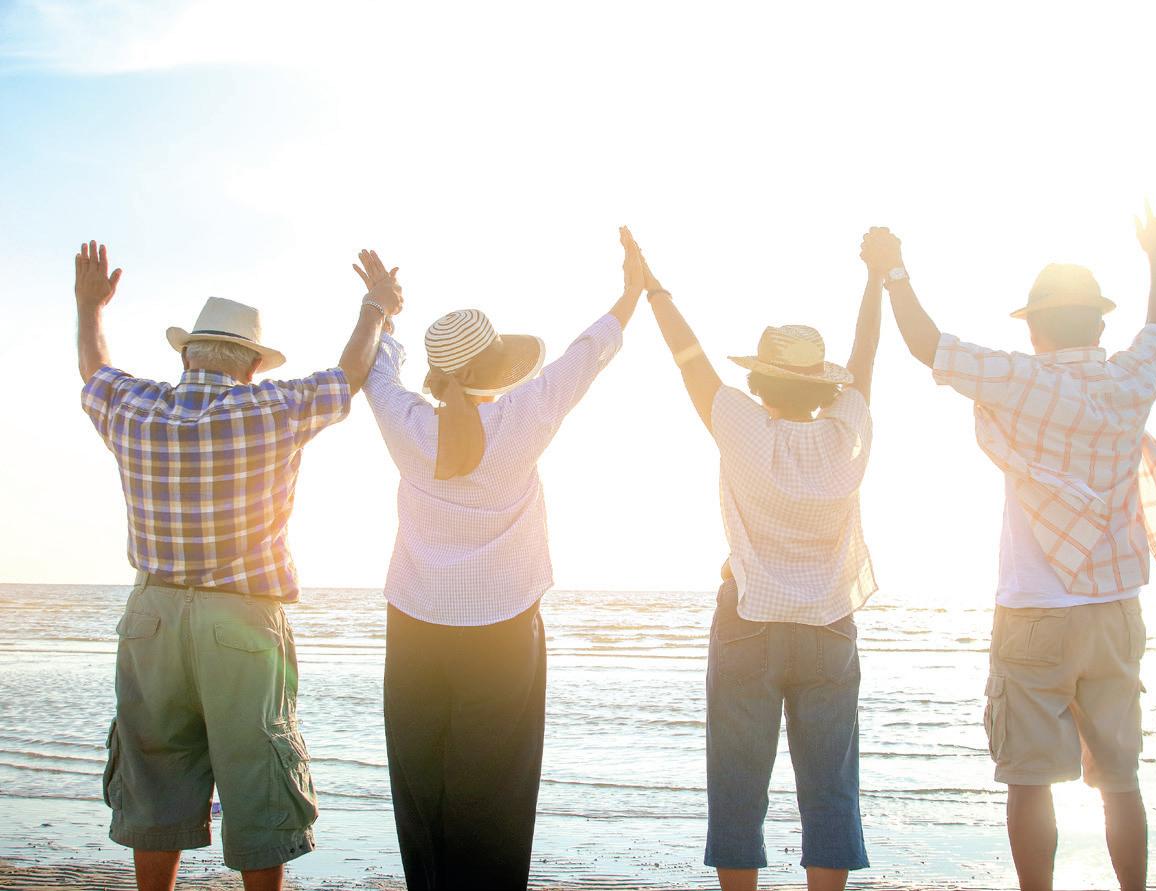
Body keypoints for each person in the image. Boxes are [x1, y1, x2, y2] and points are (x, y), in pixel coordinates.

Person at [866, 197, 1156, 891]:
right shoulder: (1129, 381)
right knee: (1120, 780)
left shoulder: (1022, 379)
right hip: (1115, 608)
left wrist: (894, 272)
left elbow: (927, 345)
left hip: (1035, 609)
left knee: (1030, 779)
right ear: (1099, 325)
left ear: (1033, 330)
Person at [77, 241, 403, 891]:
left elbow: (95, 370)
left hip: (151, 617)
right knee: (258, 775)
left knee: (153, 776)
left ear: (186, 356)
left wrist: (90, 307)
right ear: (252, 365)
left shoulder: (135, 407)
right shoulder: (270, 408)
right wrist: (376, 307)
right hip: (243, 620)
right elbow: (348, 375)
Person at [362, 228, 646, 890]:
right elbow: (588, 352)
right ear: (490, 370)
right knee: (498, 789)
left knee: (420, 781)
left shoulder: (405, 422)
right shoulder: (524, 416)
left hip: (415, 627)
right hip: (503, 631)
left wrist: (385, 311)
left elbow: (376, 369)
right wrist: (631, 292)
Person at [630, 232, 885, 891]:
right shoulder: (846, 432)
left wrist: (653, 289)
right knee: (831, 787)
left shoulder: (742, 426)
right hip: (828, 627)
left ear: (760, 381)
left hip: (748, 621)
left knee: (738, 784)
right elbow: (864, 359)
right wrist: (875, 279)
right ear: (824, 387)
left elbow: (688, 359)